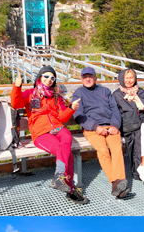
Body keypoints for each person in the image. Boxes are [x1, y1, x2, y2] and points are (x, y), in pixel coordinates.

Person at [10, 65, 89, 204]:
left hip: (58, 127)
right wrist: (17, 87)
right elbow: (16, 103)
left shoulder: (56, 96)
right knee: (64, 151)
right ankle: (69, 189)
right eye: (46, 76)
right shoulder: (30, 93)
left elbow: (63, 118)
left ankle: (59, 177)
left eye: (52, 78)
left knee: (67, 138)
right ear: (40, 77)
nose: (49, 80)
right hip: (40, 132)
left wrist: (71, 108)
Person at [71, 67, 130, 199]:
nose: (88, 79)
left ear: (95, 78)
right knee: (103, 150)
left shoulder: (105, 91)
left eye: (90, 76)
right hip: (92, 129)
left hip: (110, 127)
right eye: (85, 77)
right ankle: (117, 184)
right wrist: (95, 127)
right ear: (81, 79)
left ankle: (117, 185)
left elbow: (115, 110)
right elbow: (78, 116)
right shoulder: (78, 94)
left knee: (116, 149)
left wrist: (115, 125)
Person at [113, 69, 144, 187]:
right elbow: (116, 114)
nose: (129, 81)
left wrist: (140, 104)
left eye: (131, 78)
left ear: (135, 79)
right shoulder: (117, 95)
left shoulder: (141, 93)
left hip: (142, 123)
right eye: (126, 78)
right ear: (121, 79)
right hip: (128, 126)